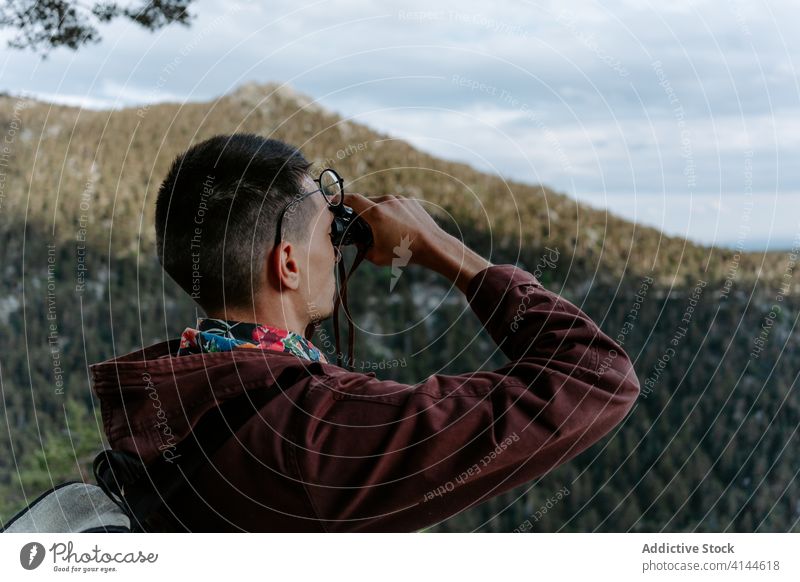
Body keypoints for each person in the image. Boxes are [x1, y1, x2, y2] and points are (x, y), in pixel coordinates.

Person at [89, 133, 640, 532]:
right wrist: (446, 252)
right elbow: (598, 378)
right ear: (288, 265)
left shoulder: (171, 392)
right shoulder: (314, 433)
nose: (340, 248)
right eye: (331, 235)